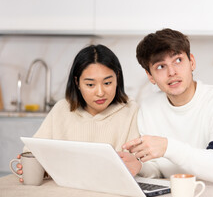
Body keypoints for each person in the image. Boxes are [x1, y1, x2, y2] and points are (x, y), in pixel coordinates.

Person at [122, 28, 213, 184]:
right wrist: (139, 166)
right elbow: (156, 169)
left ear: (191, 62)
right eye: (161, 66)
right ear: (150, 76)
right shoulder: (148, 108)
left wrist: (167, 147)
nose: (172, 72)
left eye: (178, 60)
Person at [16, 44, 142, 182]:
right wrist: (37, 167)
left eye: (107, 83)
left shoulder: (131, 111)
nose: (100, 93)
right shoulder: (62, 109)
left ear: (117, 78)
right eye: (90, 85)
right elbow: (31, 150)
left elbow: (142, 164)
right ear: (77, 82)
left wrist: (138, 164)